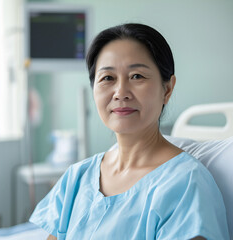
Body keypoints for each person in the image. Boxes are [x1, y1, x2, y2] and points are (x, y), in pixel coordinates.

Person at [29, 23, 230, 240]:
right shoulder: (76, 178)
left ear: (167, 89)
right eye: (107, 78)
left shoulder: (185, 183)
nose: (120, 93)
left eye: (137, 76)